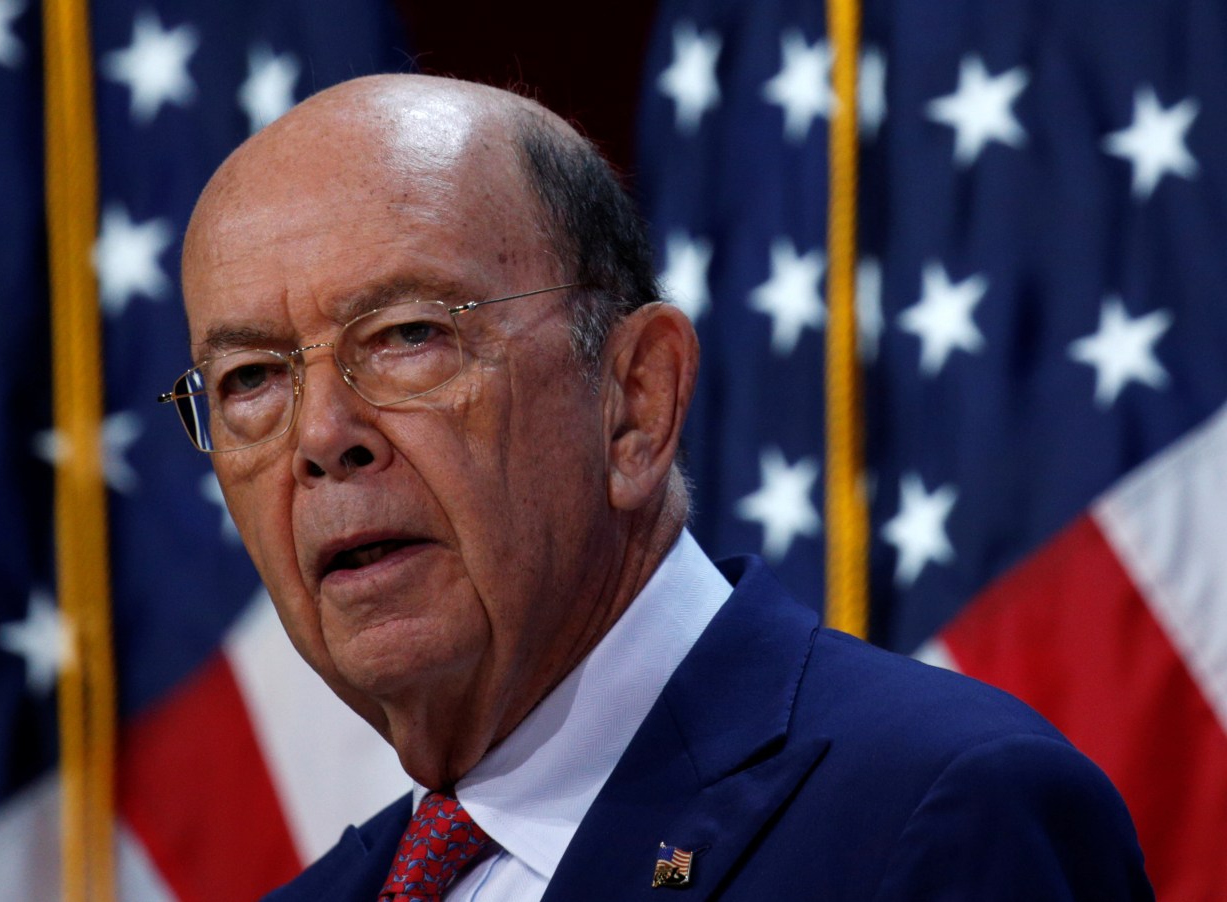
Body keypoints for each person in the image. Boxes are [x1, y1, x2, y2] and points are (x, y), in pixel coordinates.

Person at [166, 74, 1152, 900]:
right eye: (253, 378)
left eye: (408, 335)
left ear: (636, 399)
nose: (324, 436)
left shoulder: (938, 816)